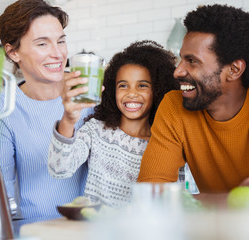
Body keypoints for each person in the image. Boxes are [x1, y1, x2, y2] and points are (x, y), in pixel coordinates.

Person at [137, 4, 249, 198]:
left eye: (192, 61)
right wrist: (235, 198)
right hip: (208, 227)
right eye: (181, 59)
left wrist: (190, 202)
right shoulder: (174, 105)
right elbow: (150, 195)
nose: (178, 71)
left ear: (234, 70)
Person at [0, 0, 94, 222]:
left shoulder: (90, 92)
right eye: (42, 44)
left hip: (95, 228)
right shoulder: (5, 108)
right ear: (13, 53)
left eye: (61, 41)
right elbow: (2, 192)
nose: (58, 54)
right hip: (36, 229)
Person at [48, 40, 179, 208]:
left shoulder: (164, 143)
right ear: (112, 89)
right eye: (123, 85)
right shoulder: (96, 130)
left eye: (142, 86)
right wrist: (68, 118)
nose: (132, 94)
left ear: (158, 90)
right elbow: (59, 169)